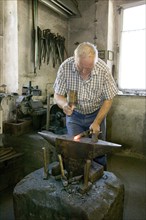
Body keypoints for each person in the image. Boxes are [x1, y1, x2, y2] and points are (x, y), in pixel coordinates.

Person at [53, 42, 118, 170]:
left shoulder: (103, 69)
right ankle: (79, 177)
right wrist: (64, 105)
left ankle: (101, 177)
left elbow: (108, 99)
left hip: (96, 114)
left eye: (88, 68)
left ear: (95, 62)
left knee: (97, 150)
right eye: (80, 67)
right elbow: (58, 95)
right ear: (75, 57)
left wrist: (97, 122)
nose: (84, 72)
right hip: (74, 115)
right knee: (75, 149)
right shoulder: (65, 67)